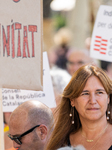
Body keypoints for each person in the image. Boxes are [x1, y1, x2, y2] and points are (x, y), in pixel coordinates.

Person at [46, 64, 112, 150]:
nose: (92, 101)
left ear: (108, 98)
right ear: (72, 100)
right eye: (85, 93)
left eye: (99, 92)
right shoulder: (61, 142)